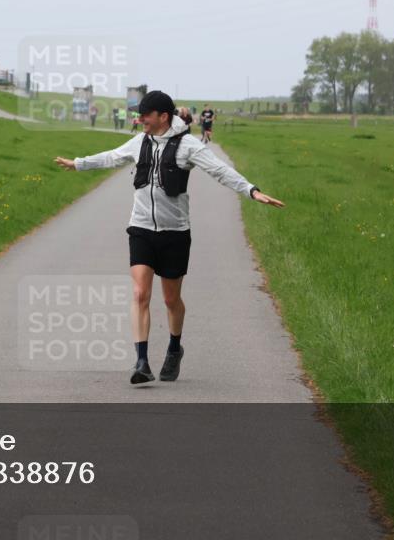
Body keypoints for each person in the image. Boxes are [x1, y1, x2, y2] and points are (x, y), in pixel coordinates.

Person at [53, 91, 284, 385]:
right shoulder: (140, 141)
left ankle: (175, 348)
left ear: (163, 116)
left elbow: (220, 170)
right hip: (141, 229)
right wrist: (78, 163)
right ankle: (141, 361)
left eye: (145, 115)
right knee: (140, 293)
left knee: (171, 299)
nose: (141, 120)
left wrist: (251, 190)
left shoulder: (187, 146)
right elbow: (112, 156)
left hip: (175, 232)